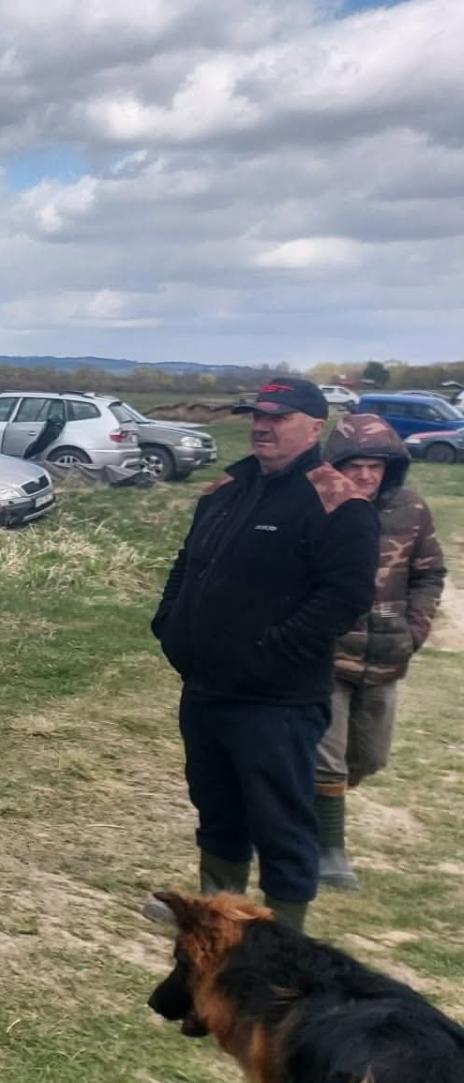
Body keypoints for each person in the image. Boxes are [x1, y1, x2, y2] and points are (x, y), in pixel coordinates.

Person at [151, 378, 378, 931]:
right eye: (257, 415)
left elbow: (344, 599)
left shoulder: (338, 501)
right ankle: (218, 929)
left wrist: (269, 652)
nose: (262, 426)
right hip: (206, 689)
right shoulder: (226, 490)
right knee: (217, 812)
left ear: (315, 427)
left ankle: (282, 944)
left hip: (277, 702)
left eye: (278, 417)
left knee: (282, 825)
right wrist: (170, 624)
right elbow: (188, 561)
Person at [315, 412, 445, 890]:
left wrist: (415, 630)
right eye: (356, 466)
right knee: (326, 757)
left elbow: (430, 573)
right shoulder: (316, 507)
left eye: (376, 466)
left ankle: (310, 808)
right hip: (326, 654)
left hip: (388, 655)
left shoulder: (412, 509)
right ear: (337, 466)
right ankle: (328, 850)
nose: (367, 475)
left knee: (369, 757)